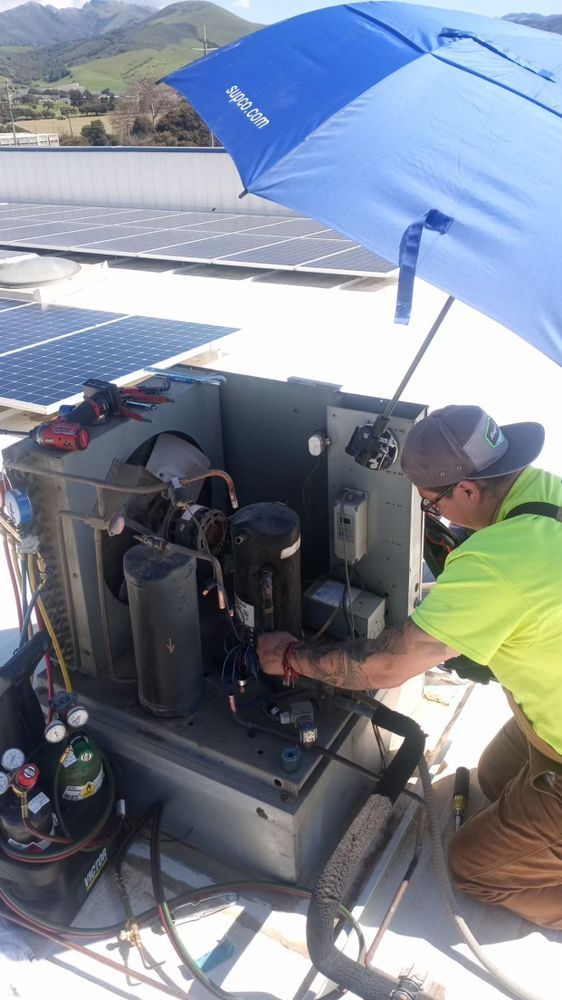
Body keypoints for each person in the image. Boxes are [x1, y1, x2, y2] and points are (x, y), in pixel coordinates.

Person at [257, 405, 562, 930]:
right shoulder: (543, 491)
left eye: (433, 504)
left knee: (472, 868)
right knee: (490, 777)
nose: (434, 516)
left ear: (467, 490)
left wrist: (292, 655)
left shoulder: (498, 563)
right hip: (546, 720)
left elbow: (385, 666)